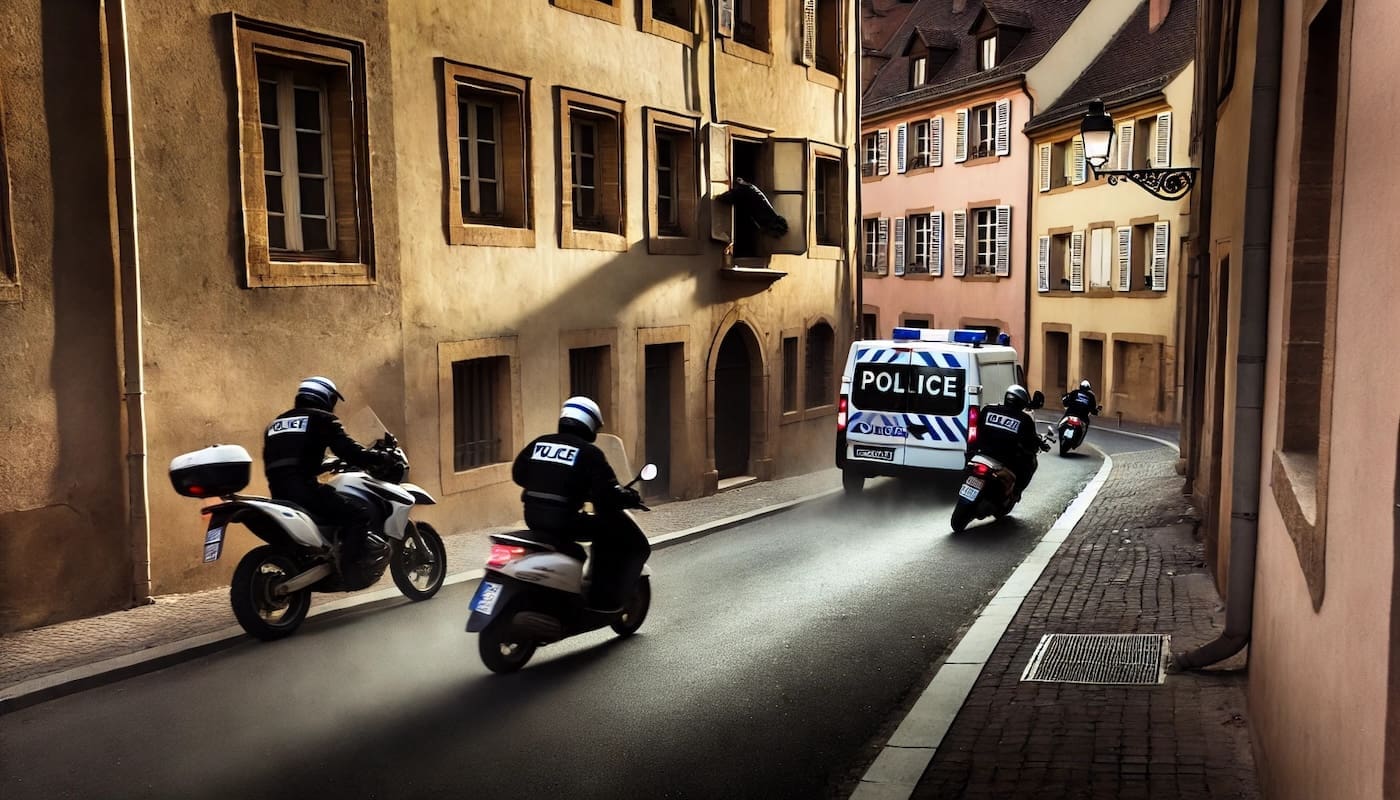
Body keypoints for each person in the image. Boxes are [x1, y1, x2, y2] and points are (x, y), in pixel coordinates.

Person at [512, 396, 651, 612]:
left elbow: (519, 475)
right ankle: (600, 595)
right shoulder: (589, 453)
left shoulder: (539, 443)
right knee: (608, 533)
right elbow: (608, 493)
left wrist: (549, 483)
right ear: (589, 424)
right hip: (565, 522)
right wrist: (631, 497)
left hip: (533, 518)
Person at [262, 376, 391, 568]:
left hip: (279, 493)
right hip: (305, 491)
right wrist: (380, 458)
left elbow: (287, 459)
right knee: (358, 516)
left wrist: (322, 465)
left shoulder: (275, 424)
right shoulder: (322, 419)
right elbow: (349, 451)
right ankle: (350, 569)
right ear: (326, 398)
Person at [972, 385, 1050, 501]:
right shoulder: (1024, 419)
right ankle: (1015, 492)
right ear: (1022, 402)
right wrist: (1040, 445)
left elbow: (977, 428)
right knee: (1030, 463)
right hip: (1005, 459)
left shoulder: (988, 409)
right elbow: (1031, 441)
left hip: (982, 453)